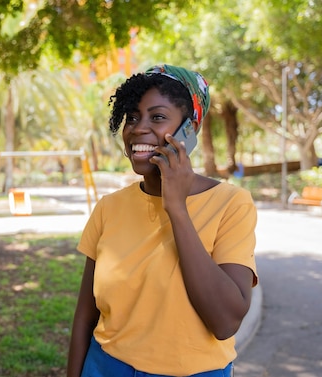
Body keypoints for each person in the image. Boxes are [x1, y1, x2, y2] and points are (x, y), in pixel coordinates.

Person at [67, 64, 258, 377]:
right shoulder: (109, 207)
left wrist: (177, 208)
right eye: (132, 117)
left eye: (157, 117)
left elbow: (225, 322)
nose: (139, 128)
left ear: (190, 128)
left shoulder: (231, 204)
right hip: (104, 367)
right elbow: (85, 316)